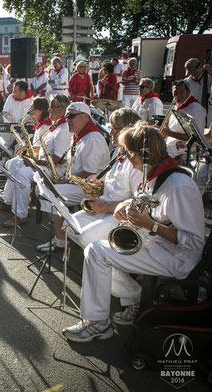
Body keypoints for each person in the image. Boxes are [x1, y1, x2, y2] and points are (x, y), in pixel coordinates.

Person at [62, 123, 205, 342]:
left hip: (174, 259)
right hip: (154, 245)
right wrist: (126, 205)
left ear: (141, 155)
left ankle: (98, 322)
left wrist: (151, 226)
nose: (126, 157)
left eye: (129, 152)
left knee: (97, 251)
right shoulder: (156, 174)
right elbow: (150, 203)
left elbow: (194, 242)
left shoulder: (178, 186)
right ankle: (130, 299)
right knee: (99, 250)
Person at [36, 102, 110, 251]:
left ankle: (61, 241)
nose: (67, 119)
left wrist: (63, 181)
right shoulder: (79, 136)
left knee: (50, 194)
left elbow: (90, 172)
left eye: (71, 116)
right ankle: (61, 233)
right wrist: (62, 179)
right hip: (78, 183)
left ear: (85, 117)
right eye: (66, 116)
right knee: (46, 190)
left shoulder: (92, 139)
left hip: (91, 188)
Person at [69, 108, 142, 248]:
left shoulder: (136, 161)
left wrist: (105, 207)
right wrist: (95, 185)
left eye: (115, 129)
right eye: (111, 128)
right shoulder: (118, 151)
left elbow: (137, 202)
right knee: (68, 225)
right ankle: (96, 260)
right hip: (104, 205)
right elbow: (110, 179)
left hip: (120, 216)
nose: (111, 133)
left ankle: (106, 263)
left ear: (129, 130)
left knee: (85, 237)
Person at [2, 96, 70, 226]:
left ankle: (20, 215)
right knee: (15, 164)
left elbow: (58, 160)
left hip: (55, 171)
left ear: (61, 110)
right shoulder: (56, 126)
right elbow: (46, 149)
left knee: (22, 173)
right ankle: (9, 201)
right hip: (45, 164)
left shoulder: (63, 130)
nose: (49, 110)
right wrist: (31, 153)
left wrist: (35, 162)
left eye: (52, 107)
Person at [161, 79, 207, 159]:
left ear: (188, 92)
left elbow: (197, 138)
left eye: (181, 92)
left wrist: (169, 133)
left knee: (160, 153)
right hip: (171, 142)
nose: (178, 95)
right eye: (175, 92)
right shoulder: (176, 105)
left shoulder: (197, 109)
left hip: (187, 146)